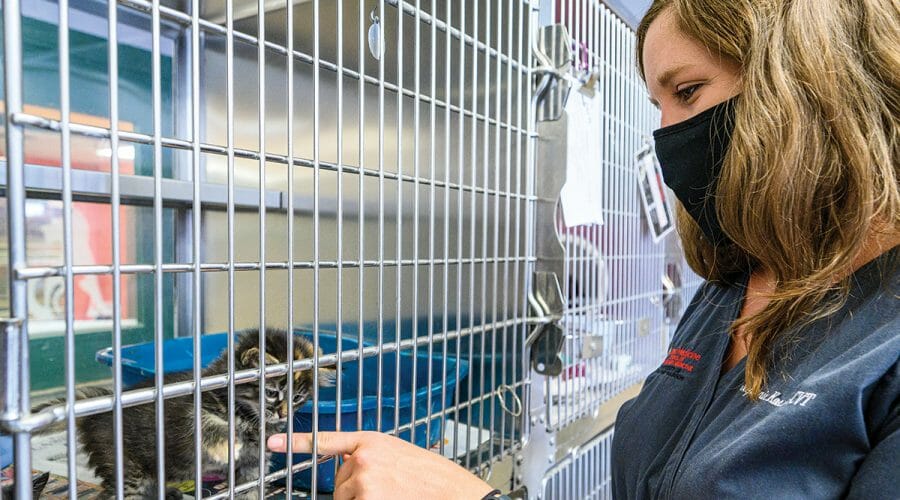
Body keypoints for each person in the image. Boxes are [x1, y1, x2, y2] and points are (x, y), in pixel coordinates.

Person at [267, 0, 900, 497]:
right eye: (654, 103)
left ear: (807, 85)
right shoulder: (728, 289)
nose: (664, 134)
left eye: (686, 92)